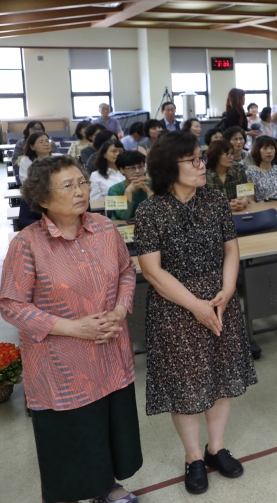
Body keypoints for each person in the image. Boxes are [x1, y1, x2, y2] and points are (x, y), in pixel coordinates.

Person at [1, 156, 143, 503]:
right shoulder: (28, 244)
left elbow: (126, 271)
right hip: (62, 362)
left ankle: (107, 486)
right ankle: (77, 492)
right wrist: (71, 327)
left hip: (110, 351)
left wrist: (121, 309)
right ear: (43, 199)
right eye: (69, 185)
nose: (81, 190)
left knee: (106, 424)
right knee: (74, 430)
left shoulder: (104, 228)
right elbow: (11, 304)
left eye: (82, 182)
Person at [135, 131, 257, 495]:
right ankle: (193, 457)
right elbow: (153, 271)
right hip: (175, 306)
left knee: (220, 377)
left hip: (219, 299)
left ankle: (215, 447)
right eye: (193, 160)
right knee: (186, 385)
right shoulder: (150, 210)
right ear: (168, 167)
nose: (202, 165)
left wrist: (229, 288)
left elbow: (231, 250)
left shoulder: (215, 200)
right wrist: (196, 305)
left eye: (200, 158)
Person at [205, 139, 250, 212]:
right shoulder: (205, 176)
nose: (231, 157)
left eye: (232, 153)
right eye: (227, 153)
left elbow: (246, 194)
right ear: (215, 155)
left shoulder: (239, 169)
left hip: (239, 212)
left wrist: (244, 201)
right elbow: (204, 202)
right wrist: (226, 206)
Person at [106, 151, 152, 221]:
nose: (137, 171)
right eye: (132, 168)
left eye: (140, 167)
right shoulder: (114, 190)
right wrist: (128, 192)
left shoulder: (153, 184)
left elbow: (160, 213)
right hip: (122, 227)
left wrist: (149, 192)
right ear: (122, 170)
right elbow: (123, 216)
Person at [246, 136, 277, 202]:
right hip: (262, 209)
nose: (269, 151)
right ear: (257, 150)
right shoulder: (250, 173)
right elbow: (250, 200)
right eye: (265, 148)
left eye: (272, 148)